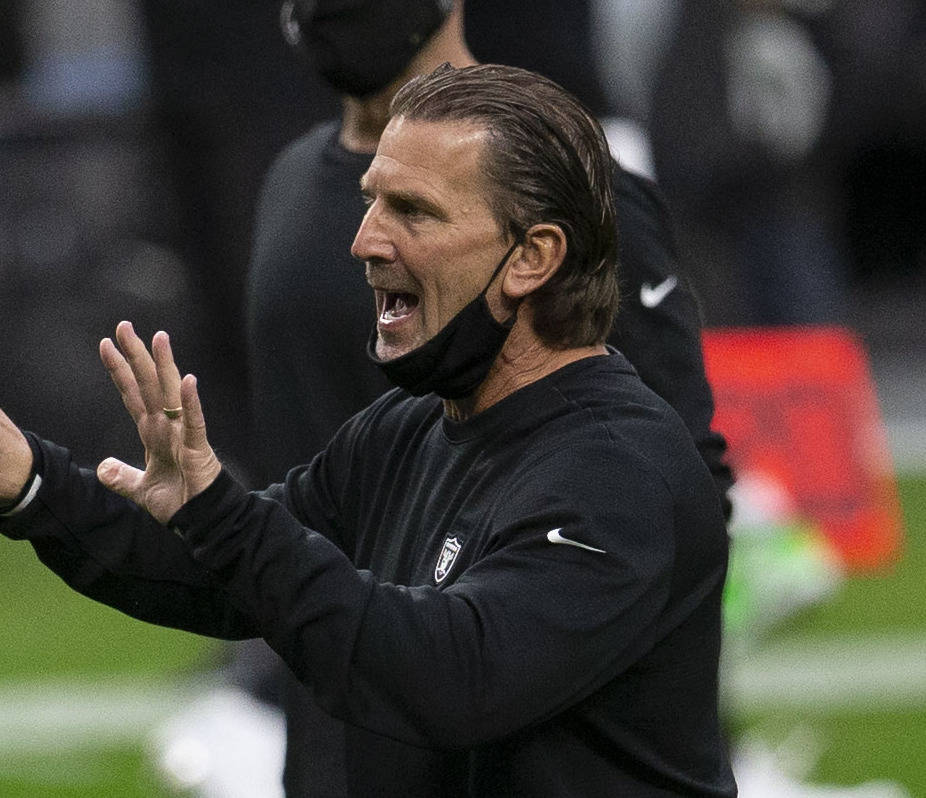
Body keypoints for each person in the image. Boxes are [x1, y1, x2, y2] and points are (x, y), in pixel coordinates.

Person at [0, 63, 736, 796]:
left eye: (413, 211)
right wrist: (31, 482)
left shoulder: (619, 472)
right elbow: (221, 574)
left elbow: (452, 679)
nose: (365, 240)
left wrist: (221, 514)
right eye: (371, 203)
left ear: (533, 257)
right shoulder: (409, 428)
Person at [242, 7, 733, 791]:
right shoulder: (292, 180)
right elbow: (300, 480)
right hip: (339, 706)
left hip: (506, 701)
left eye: (412, 212)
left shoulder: (576, 188)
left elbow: (679, 484)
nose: (371, 240)